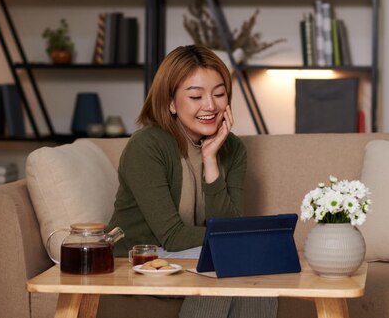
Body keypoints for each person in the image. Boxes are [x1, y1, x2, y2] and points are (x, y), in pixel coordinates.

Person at [107, 45, 277, 318]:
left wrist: (211, 161)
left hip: (193, 256)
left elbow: (228, 227)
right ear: (170, 103)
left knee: (253, 271)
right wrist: (242, 240)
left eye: (219, 94)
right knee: (227, 261)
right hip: (139, 261)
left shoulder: (232, 149)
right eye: (196, 96)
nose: (210, 106)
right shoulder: (147, 145)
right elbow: (173, 237)